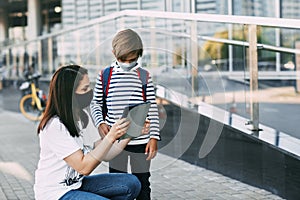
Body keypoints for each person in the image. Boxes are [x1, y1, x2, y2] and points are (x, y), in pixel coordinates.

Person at [34, 64, 143, 200]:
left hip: (77, 185)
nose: (90, 91)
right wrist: (110, 136)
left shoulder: (82, 116)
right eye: (85, 88)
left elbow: (107, 154)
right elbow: (84, 167)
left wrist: (131, 133)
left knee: (131, 184)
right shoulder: (55, 126)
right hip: (56, 194)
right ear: (70, 94)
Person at [90, 29, 160, 200]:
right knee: (118, 184)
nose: (128, 63)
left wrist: (154, 138)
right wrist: (100, 123)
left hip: (141, 142)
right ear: (114, 53)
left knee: (143, 183)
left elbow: (152, 108)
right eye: (123, 60)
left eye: (133, 59)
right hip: (115, 141)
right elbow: (96, 103)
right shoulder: (106, 75)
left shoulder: (144, 76)